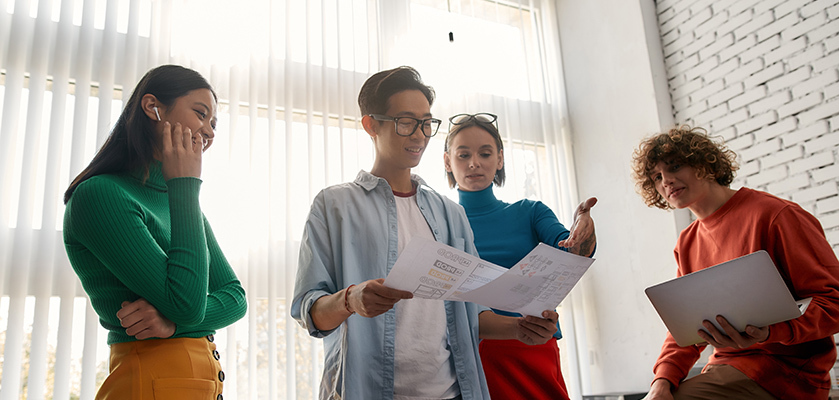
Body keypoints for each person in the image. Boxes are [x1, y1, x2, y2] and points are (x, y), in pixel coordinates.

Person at [291, 66, 560, 400]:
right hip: (365, 390)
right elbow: (307, 310)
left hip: (451, 393)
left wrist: (520, 328)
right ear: (371, 124)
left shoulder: (451, 215)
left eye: (426, 123)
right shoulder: (335, 205)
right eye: (406, 122)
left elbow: (471, 314)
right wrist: (350, 300)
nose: (419, 135)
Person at [63, 64, 247, 399]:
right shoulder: (101, 195)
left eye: (214, 123)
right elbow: (186, 304)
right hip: (148, 382)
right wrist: (185, 183)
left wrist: (173, 323)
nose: (209, 131)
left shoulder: (181, 203)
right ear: (152, 107)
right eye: (201, 114)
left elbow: (236, 297)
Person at [632, 125, 839, 400]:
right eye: (657, 177)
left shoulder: (775, 215)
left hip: (785, 374)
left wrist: (770, 331)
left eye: (675, 166)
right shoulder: (687, 242)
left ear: (704, 164)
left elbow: (834, 303)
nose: (666, 181)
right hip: (727, 367)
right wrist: (662, 379)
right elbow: (685, 325)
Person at [443, 113, 597, 400]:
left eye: (485, 153)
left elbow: (572, 250)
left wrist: (583, 231)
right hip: (471, 351)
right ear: (447, 162)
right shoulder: (439, 223)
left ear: (500, 159)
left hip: (533, 343)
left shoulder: (530, 211)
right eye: (463, 155)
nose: (474, 163)